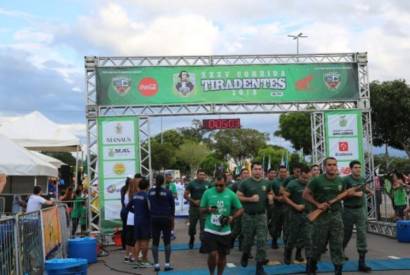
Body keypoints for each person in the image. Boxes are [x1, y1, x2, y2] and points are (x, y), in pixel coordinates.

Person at [303, 157, 348, 275]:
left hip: (336, 216)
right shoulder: (317, 181)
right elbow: (305, 195)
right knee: (318, 244)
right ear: (324, 167)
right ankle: (312, 266)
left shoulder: (340, 181)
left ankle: (338, 270)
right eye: (329, 165)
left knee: (337, 244)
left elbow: (342, 195)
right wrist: (317, 204)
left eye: (334, 164)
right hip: (321, 217)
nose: (332, 167)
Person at [200, 173, 244, 275]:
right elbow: (201, 210)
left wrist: (232, 217)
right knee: (212, 253)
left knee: (222, 256)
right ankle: (212, 273)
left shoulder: (231, 194)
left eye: (221, 185)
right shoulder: (207, 193)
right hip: (210, 229)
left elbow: (241, 209)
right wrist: (208, 209)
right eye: (216, 185)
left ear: (226, 183)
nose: (218, 187)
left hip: (224, 231)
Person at [237, 162, 272, 275]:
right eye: (256, 169)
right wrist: (250, 199)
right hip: (248, 216)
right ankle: (245, 254)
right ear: (252, 170)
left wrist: (270, 198)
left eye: (260, 169)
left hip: (261, 216)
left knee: (262, 241)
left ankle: (259, 266)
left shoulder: (266, 182)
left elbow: (270, 192)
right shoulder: (245, 183)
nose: (258, 171)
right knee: (248, 240)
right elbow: (238, 196)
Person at [342, 160, 372, 272]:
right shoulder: (346, 180)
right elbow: (341, 195)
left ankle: (362, 263)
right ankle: (341, 252)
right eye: (355, 167)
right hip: (348, 210)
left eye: (359, 167)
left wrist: (369, 191)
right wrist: (354, 193)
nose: (358, 169)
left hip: (360, 210)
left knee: (362, 235)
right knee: (346, 234)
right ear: (351, 169)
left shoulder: (362, 179)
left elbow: (363, 189)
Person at [283, 165, 311, 264]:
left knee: (306, 236)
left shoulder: (311, 184)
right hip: (294, 214)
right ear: (299, 174)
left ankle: (299, 254)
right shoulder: (292, 184)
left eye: (307, 178)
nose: (305, 180)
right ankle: (287, 253)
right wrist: (295, 206)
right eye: (303, 177)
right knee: (293, 235)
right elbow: (285, 197)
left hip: (307, 214)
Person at [148, 174, 175, 272]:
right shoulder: (167, 192)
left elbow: (149, 205)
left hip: (154, 218)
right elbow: (172, 207)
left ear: (155, 181)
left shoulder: (150, 192)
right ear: (163, 181)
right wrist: (172, 218)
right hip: (166, 218)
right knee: (167, 241)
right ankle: (167, 264)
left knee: (155, 242)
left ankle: (156, 265)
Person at [127, 178, 151, 268]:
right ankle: (144, 260)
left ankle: (136, 260)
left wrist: (136, 212)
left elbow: (128, 207)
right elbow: (150, 209)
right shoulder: (147, 196)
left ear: (139, 186)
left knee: (137, 241)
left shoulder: (134, 195)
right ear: (147, 186)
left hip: (136, 220)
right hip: (145, 221)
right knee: (145, 241)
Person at [184, 169, 210, 249]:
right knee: (192, 226)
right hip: (194, 208)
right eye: (200, 174)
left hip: (204, 209)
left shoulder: (208, 184)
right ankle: (192, 238)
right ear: (197, 175)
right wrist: (194, 201)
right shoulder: (192, 183)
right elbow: (185, 195)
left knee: (204, 227)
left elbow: (211, 194)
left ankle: (203, 243)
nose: (202, 176)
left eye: (203, 174)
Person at [229, 168, 250, 250]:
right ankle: (231, 240)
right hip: (238, 209)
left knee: (245, 229)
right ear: (241, 175)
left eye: (247, 173)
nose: (246, 174)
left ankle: (242, 246)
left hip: (248, 209)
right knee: (237, 228)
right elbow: (230, 194)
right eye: (244, 173)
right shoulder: (236, 184)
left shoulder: (251, 183)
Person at [270, 165, 288, 249]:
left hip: (288, 207)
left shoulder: (290, 181)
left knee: (287, 226)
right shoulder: (274, 182)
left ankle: (286, 241)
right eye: (281, 172)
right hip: (277, 207)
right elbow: (271, 193)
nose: (283, 173)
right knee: (276, 225)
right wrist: (277, 198)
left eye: (285, 172)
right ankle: (274, 240)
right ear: (278, 172)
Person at [123, 178, 139, 263]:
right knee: (134, 238)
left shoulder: (127, 194)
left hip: (130, 217)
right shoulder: (138, 194)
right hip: (136, 217)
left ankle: (127, 255)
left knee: (129, 237)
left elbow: (126, 205)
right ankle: (133, 256)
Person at [265, 168, 277, 248]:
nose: (273, 174)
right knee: (264, 224)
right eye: (271, 173)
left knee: (274, 224)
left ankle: (274, 241)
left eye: (274, 173)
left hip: (274, 206)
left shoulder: (276, 182)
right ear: (268, 174)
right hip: (265, 207)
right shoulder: (264, 182)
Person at [165, 171, 178, 240]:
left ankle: (172, 232)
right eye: (167, 177)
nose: (169, 179)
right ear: (165, 177)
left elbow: (175, 195)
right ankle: (165, 233)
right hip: (163, 206)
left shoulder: (173, 185)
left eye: (170, 177)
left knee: (171, 219)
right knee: (164, 219)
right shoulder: (162, 184)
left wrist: (169, 195)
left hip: (170, 205)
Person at [120, 177, 132, 251]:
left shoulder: (123, 189)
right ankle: (129, 246)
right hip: (128, 211)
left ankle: (124, 247)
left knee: (125, 229)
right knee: (129, 230)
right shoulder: (129, 190)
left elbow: (123, 201)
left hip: (124, 211)